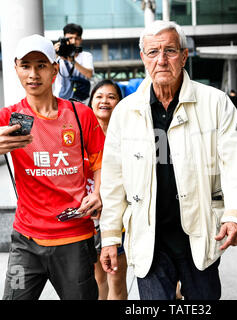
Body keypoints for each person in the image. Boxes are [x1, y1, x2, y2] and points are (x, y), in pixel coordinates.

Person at [98, 20, 237, 300]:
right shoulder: (126, 111)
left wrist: (236, 215)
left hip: (200, 233)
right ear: (143, 58)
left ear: (184, 56)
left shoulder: (215, 103)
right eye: (153, 52)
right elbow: (113, 180)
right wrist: (110, 237)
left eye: (170, 51)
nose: (161, 60)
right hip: (149, 239)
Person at [0, 34, 105, 300]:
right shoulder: (7, 119)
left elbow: (102, 160)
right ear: (16, 69)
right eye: (25, 66)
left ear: (54, 69)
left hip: (74, 239)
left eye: (41, 65)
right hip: (26, 243)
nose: (33, 74)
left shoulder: (81, 115)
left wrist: (98, 192)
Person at [87, 79, 128, 300]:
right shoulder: (79, 135)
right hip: (88, 219)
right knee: (97, 278)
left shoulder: (127, 136)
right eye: (99, 96)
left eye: (111, 97)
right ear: (91, 101)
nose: (105, 101)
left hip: (116, 217)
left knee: (116, 278)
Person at [54, 23, 94, 103]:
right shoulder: (58, 55)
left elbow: (89, 74)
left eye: (77, 38)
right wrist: (54, 54)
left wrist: (72, 61)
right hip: (60, 100)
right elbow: (47, 73)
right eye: (70, 38)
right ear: (64, 38)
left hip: (81, 100)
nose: (73, 41)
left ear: (81, 40)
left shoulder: (86, 55)